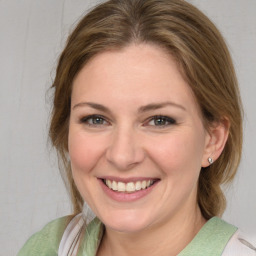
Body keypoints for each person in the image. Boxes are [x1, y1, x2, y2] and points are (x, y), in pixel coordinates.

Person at [18, 0, 256, 255]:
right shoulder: (48, 247)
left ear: (213, 139)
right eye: (96, 119)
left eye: (159, 120)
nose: (122, 156)